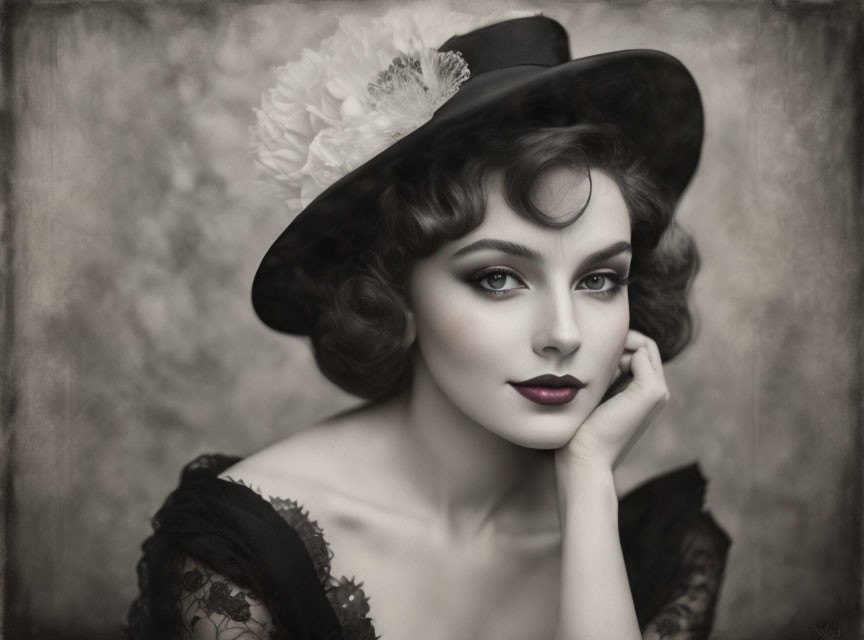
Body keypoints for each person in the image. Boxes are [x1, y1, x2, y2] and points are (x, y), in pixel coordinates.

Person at [127, 10, 731, 640]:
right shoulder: (241, 553)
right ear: (393, 293)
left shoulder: (663, 551)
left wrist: (587, 488)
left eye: (599, 280)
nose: (566, 333)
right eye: (497, 278)